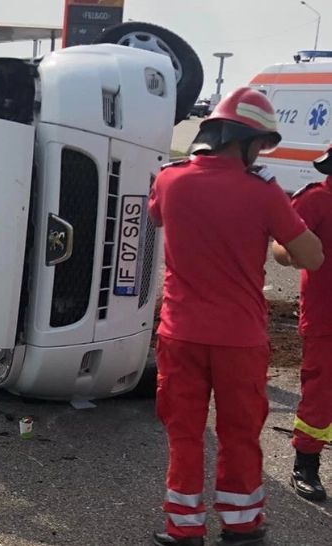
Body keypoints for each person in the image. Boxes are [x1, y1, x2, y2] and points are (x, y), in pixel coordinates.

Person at [148, 87, 324, 546]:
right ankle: (241, 526)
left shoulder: (170, 179)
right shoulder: (263, 192)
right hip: (240, 339)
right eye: (261, 144)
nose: (262, 153)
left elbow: (155, 218)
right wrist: (272, 233)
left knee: (184, 434)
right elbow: (312, 257)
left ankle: (183, 530)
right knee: (240, 435)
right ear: (243, 141)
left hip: (180, 334)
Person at [272, 147, 332, 503]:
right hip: (326, 317)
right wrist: (294, 252)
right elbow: (281, 245)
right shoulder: (315, 200)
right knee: (320, 394)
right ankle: (305, 465)